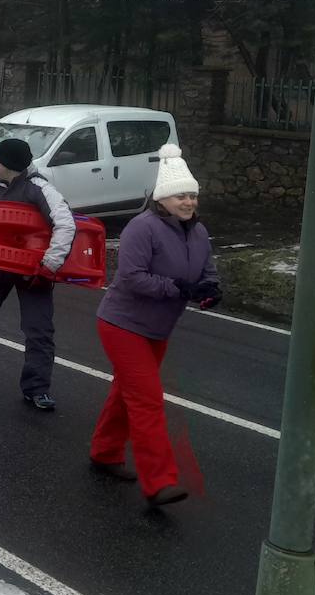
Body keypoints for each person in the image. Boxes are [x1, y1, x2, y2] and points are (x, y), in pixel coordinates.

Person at [89, 144, 219, 508]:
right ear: (163, 199)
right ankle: (159, 481)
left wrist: (209, 290)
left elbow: (206, 271)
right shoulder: (141, 228)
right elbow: (131, 278)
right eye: (181, 195)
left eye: (192, 195)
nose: (188, 202)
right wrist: (176, 288)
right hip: (122, 324)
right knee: (146, 399)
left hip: (158, 328)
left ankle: (104, 451)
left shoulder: (197, 231)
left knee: (126, 392)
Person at [0, 137, 75, 410]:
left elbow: (66, 224)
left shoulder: (40, 189)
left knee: (39, 330)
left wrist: (50, 264)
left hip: (33, 271)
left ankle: (37, 389)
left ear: (8, 164)